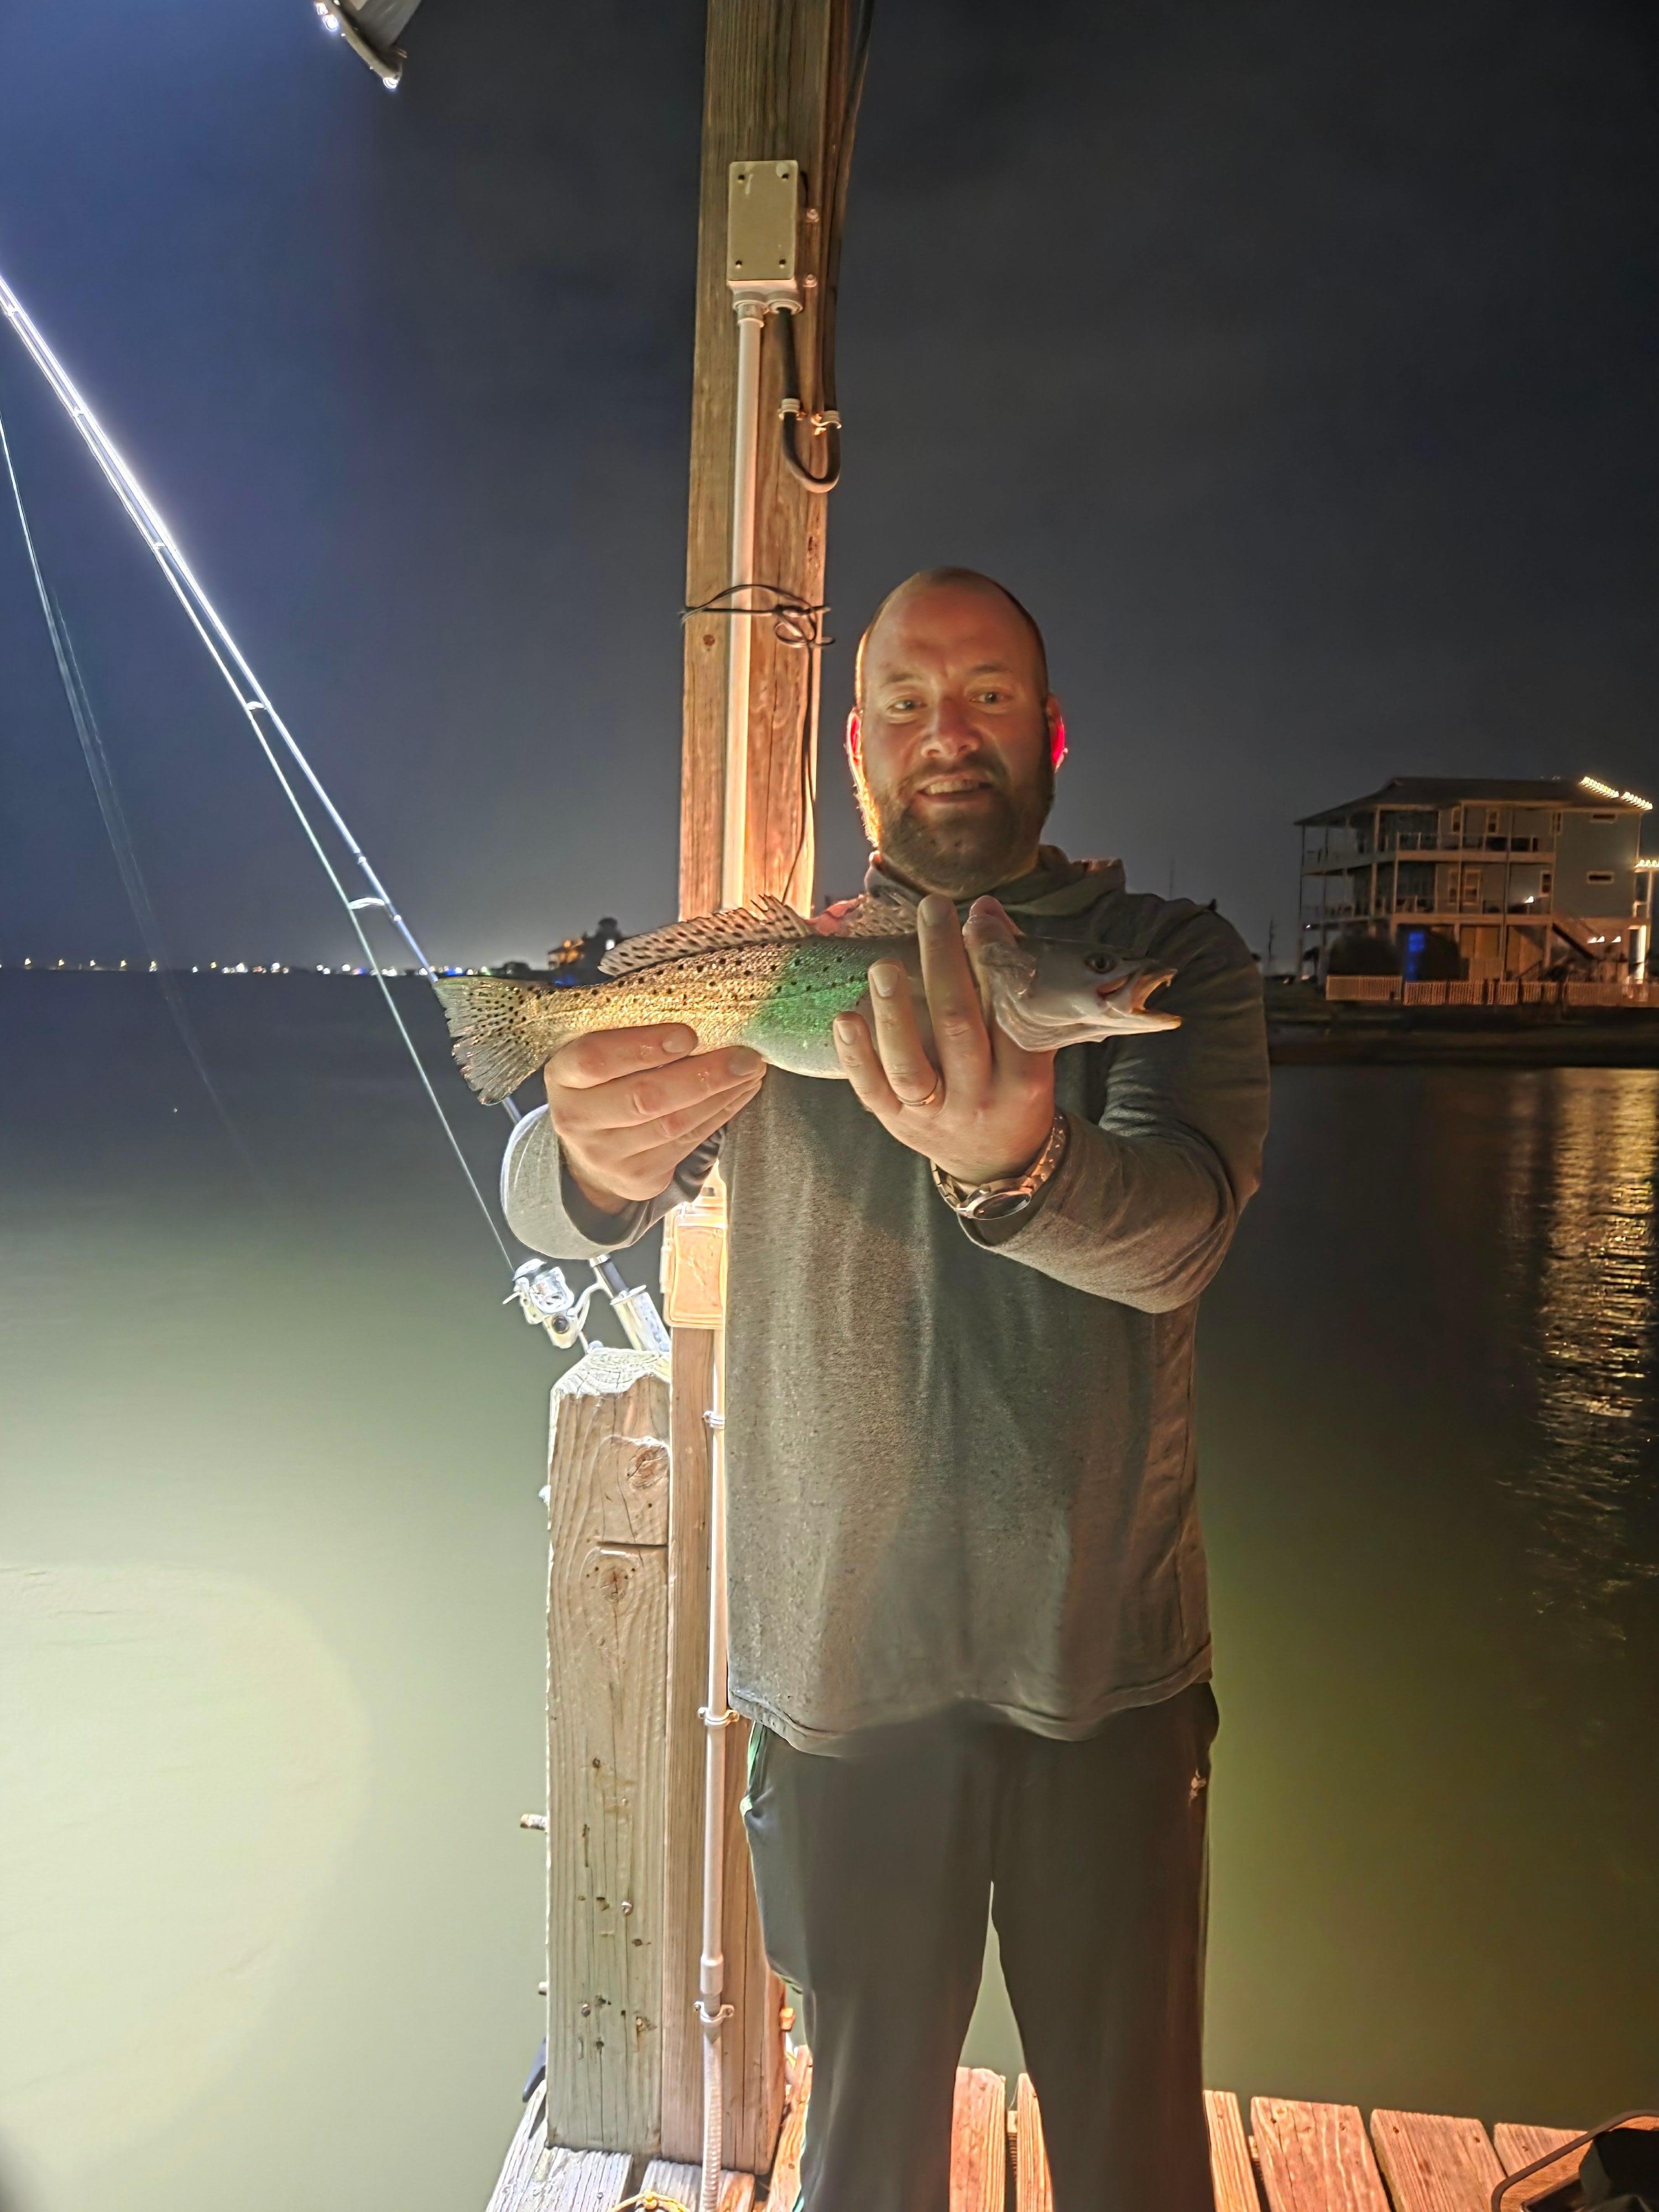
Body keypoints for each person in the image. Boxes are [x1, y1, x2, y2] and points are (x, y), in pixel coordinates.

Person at [502, 568, 1271, 2212]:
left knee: (1138, 2159)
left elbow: (1181, 1236)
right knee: (860, 2158)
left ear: (1050, 735)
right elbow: (566, 1196)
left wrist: (1025, 1164)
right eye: (910, 703)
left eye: (989, 696)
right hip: (840, 1679)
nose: (950, 735)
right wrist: (574, 1153)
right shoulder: (791, 969)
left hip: (1108, 1679)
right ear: (858, 750)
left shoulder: (1164, 961)